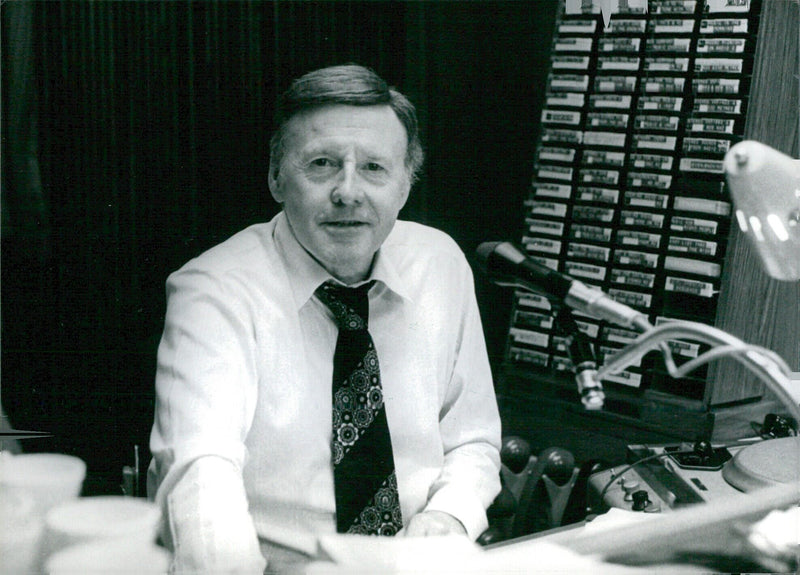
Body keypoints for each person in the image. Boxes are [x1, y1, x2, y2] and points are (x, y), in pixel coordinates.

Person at [148, 63, 502, 574]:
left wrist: (447, 519)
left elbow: (472, 438)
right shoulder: (215, 289)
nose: (348, 191)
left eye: (375, 168)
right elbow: (201, 474)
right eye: (322, 164)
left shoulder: (440, 264)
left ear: (405, 184)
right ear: (276, 177)